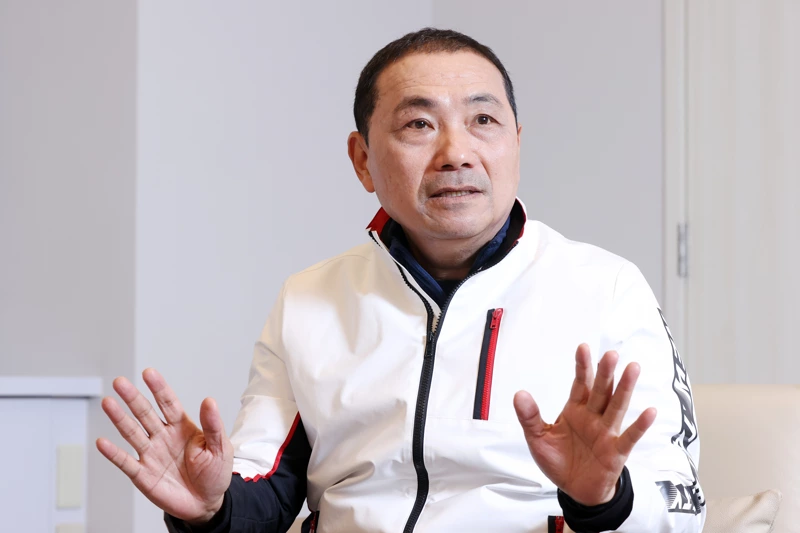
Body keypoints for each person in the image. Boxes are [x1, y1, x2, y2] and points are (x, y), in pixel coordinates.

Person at [97, 28, 706, 533]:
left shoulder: (605, 288)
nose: (456, 153)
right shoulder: (310, 299)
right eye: (419, 125)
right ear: (362, 159)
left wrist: (602, 498)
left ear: (516, 144)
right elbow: (267, 486)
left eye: (483, 120)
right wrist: (211, 508)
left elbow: (679, 504)